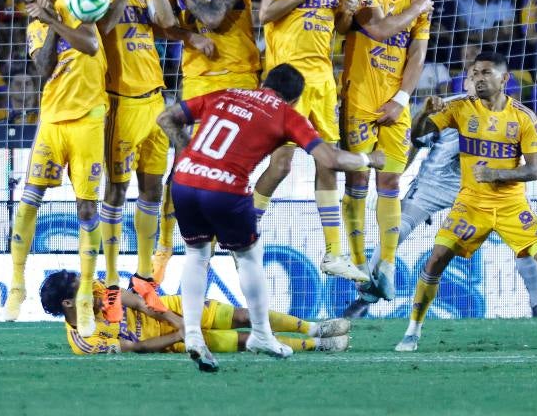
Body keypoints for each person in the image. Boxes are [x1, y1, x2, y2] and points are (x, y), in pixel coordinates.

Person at [157, 63, 385, 372]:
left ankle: (194, 335)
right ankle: (262, 334)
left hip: (184, 181)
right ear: (293, 99)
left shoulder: (225, 94)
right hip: (225, 189)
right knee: (249, 256)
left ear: (265, 83)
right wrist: (368, 159)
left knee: (197, 254)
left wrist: (190, 155)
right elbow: (331, 160)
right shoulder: (287, 115)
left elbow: (166, 117)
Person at [394, 51, 537, 352]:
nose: (478, 79)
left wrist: (494, 172)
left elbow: (534, 171)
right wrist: (423, 111)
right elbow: (418, 136)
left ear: (504, 78)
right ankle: (412, 331)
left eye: (485, 73)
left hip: (511, 205)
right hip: (470, 204)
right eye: (474, 74)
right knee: (436, 259)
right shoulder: (459, 109)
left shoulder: (523, 117)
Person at [344, 89, 537, 320]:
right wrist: (393, 181)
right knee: (396, 230)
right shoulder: (449, 107)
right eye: (473, 76)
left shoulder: (513, 114)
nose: (477, 82)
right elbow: (415, 141)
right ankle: (365, 299)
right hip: (434, 185)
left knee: (524, 240)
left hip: (483, 186)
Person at [253, 0, 363, 281]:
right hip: (287, 80)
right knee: (281, 165)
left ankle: (333, 252)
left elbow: (341, 28)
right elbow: (265, 13)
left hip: (322, 81)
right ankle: (243, 231)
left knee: (328, 161)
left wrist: (348, 11)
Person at [155, 0, 261, 281]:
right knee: (185, 168)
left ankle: (237, 245)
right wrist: (190, 37)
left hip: (239, 78)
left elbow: (215, 17)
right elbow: (163, 24)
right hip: (198, 78)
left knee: (229, 170)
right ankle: (165, 249)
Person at [3, 0, 107, 338]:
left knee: (87, 209)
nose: (29, 5)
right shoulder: (35, 25)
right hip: (52, 121)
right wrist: (46, 24)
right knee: (30, 199)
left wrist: (56, 19)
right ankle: (16, 284)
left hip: (88, 121)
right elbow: (43, 68)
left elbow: (90, 45)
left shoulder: (80, 6)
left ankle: (84, 295)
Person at [339, 0, 432, 301]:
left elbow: (417, 55)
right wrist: (419, 8)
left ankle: (388, 265)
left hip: (395, 104)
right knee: (358, 182)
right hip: (358, 100)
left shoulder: (416, 0)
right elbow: (379, 30)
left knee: (391, 182)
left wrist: (402, 98)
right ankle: (361, 266)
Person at [93, 0, 176, 323]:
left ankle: (143, 280)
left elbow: (168, 22)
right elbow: (104, 29)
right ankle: (110, 286)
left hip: (155, 100)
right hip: (120, 101)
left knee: (152, 189)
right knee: (115, 191)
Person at [40, 270, 351, 356]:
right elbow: (137, 347)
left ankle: (314, 328)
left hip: (173, 310)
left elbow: (136, 301)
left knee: (242, 315)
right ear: (68, 304)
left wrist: (180, 321)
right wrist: (180, 335)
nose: (84, 284)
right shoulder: (84, 342)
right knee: (243, 340)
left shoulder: (96, 288)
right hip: (172, 342)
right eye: (75, 285)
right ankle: (319, 346)